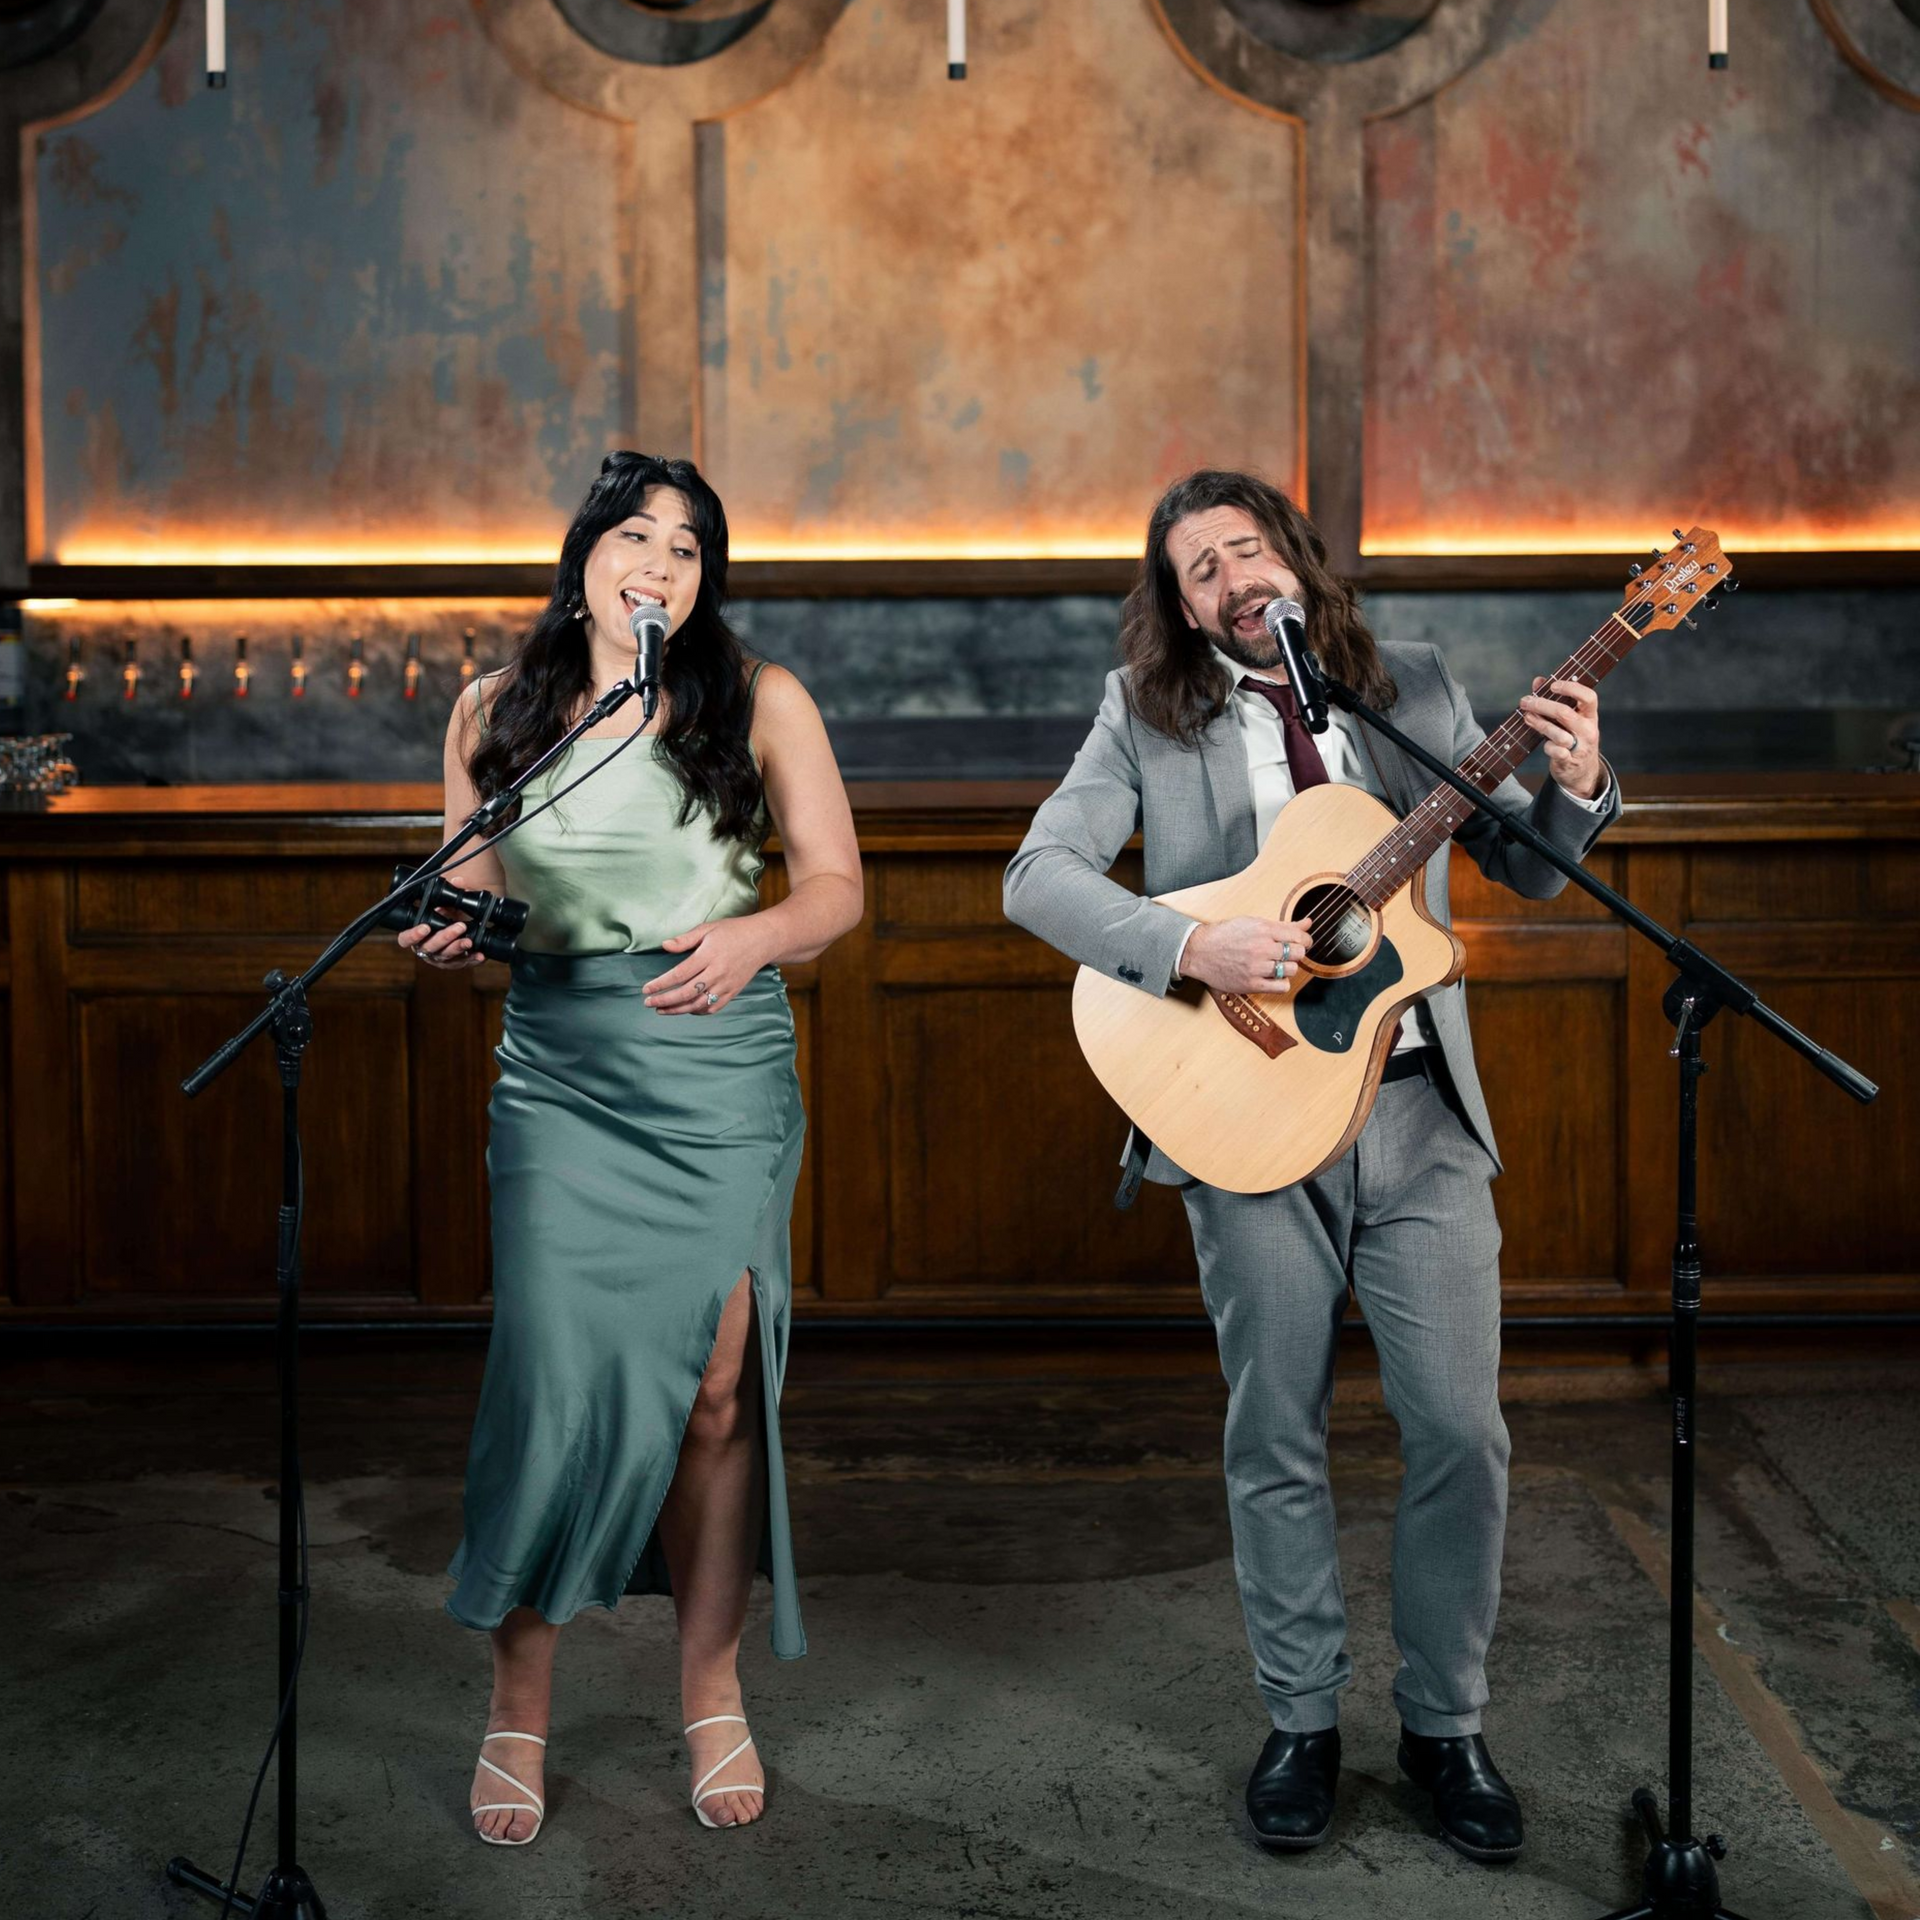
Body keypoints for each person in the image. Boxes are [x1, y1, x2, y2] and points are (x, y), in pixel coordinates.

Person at [1003, 469, 1619, 1863]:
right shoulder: (1143, 714)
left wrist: (1576, 787)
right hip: (1249, 1117)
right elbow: (1037, 875)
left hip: (1417, 1118)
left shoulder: (1404, 685)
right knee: (1274, 1431)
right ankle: (1301, 1723)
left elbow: (1523, 865)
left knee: (1462, 1430)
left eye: (1247, 548)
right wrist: (1190, 944)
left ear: (1295, 557)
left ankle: (1445, 1726)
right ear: (1177, 604)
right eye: (1198, 569)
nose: (1231, 578)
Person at [400, 451, 863, 1842]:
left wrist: (752, 936)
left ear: (701, 581)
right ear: (586, 553)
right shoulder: (496, 706)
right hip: (563, 1074)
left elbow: (836, 888)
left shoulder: (760, 696)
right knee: (550, 1386)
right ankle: (518, 1704)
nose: (658, 565)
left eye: (687, 548)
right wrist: (445, 930)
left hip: (718, 1069)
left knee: (719, 1391)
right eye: (635, 537)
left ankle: (710, 1686)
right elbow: (470, 905)